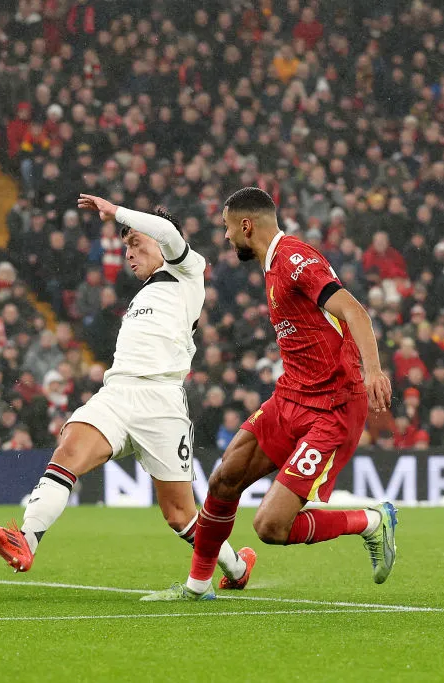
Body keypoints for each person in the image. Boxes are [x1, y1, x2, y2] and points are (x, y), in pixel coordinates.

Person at [0, 195, 251, 587]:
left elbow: (167, 229)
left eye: (136, 242)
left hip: (161, 402)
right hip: (117, 393)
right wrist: (127, 226)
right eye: (125, 246)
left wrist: (116, 212)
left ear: (161, 241)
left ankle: (236, 568)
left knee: (180, 516)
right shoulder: (144, 293)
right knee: (69, 449)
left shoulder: (188, 272)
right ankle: (26, 540)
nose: (128, 253)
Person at [143, 187, 396, 602]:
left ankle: (370, 521)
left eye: (227, 227)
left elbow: (354, 310)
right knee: (224, 479)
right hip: (290, 397)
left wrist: (373, 370)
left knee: (271, 527)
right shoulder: (272, 264)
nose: (226, 236)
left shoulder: (295, 259)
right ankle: (197, 587)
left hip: (332, 407)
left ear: (246, 225)